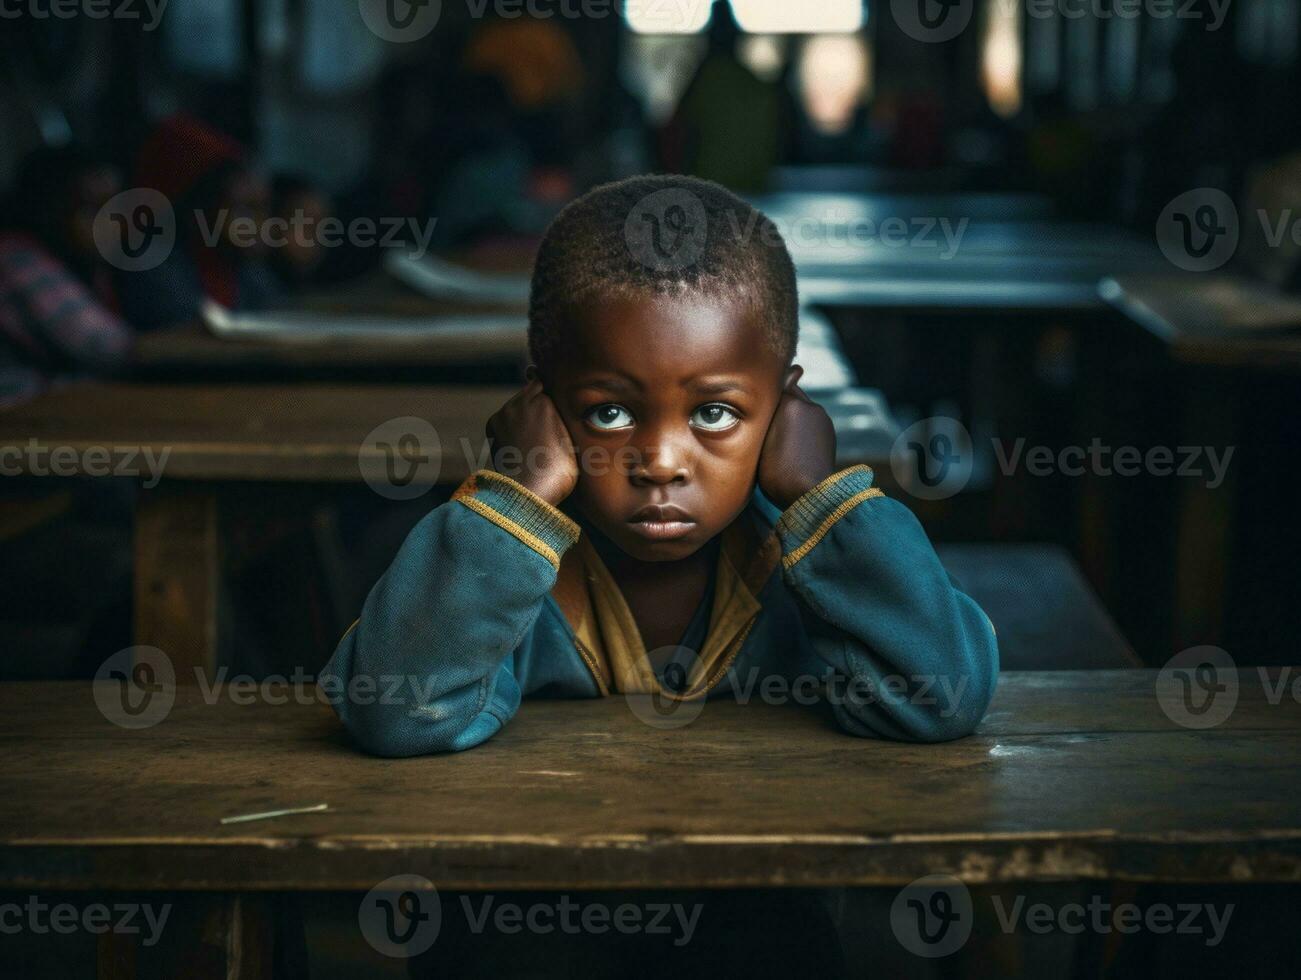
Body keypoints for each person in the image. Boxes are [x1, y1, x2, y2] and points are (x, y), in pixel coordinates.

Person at [320, 174, 997, 756]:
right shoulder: (511, 567)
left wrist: (820, 500)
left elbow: (942, 699)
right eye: (609, 414)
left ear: (784, 412)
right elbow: (393, 715)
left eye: (714, 414)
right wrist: (514, 501)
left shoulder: (807, 563)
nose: (662, 464)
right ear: (542, 404)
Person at [115, 115, 280, 329]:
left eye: (264, 208)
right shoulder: (156, 265)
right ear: (200, 209)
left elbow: (278, 313)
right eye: (244, 210)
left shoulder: (244, 270)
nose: (261, 224)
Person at [0, 145, 133, 405]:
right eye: (92, 210)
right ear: (49, 209)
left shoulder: (81, 260)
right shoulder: (17, 258)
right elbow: (105, 346)